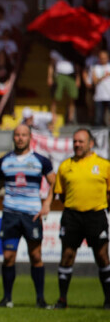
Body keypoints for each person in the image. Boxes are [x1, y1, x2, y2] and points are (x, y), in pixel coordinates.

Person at [0, 124, 54, 308]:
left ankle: (40, 299)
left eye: (24, 135)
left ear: (30, 138)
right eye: (17, 135)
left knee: (35, 256)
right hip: (11, 214)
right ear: (13, 138)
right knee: (8, 257)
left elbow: (54, 183)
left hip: (31, 216)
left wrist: (46, 204)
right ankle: (7, 298)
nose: (20, 138)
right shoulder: (4, 161)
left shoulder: (41, 161)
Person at [52, 129, 110, 309]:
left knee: (102, 256)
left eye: (81, 141)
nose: (77, 144)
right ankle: (62, 299)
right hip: (72, 215)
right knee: (67, 255)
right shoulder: (65, 166)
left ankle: (108, 299)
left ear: (90, 144)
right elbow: (60, 194)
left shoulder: (104, 165)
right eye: (75, 141)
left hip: (96, 215)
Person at [91, 49, 110, 126]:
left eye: (105, 58)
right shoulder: (95, 68)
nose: (103, 60)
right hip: (99, 96)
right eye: (101, 58)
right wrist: (104, 76)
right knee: (99, 118)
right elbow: (95, 81)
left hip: (109, 95)